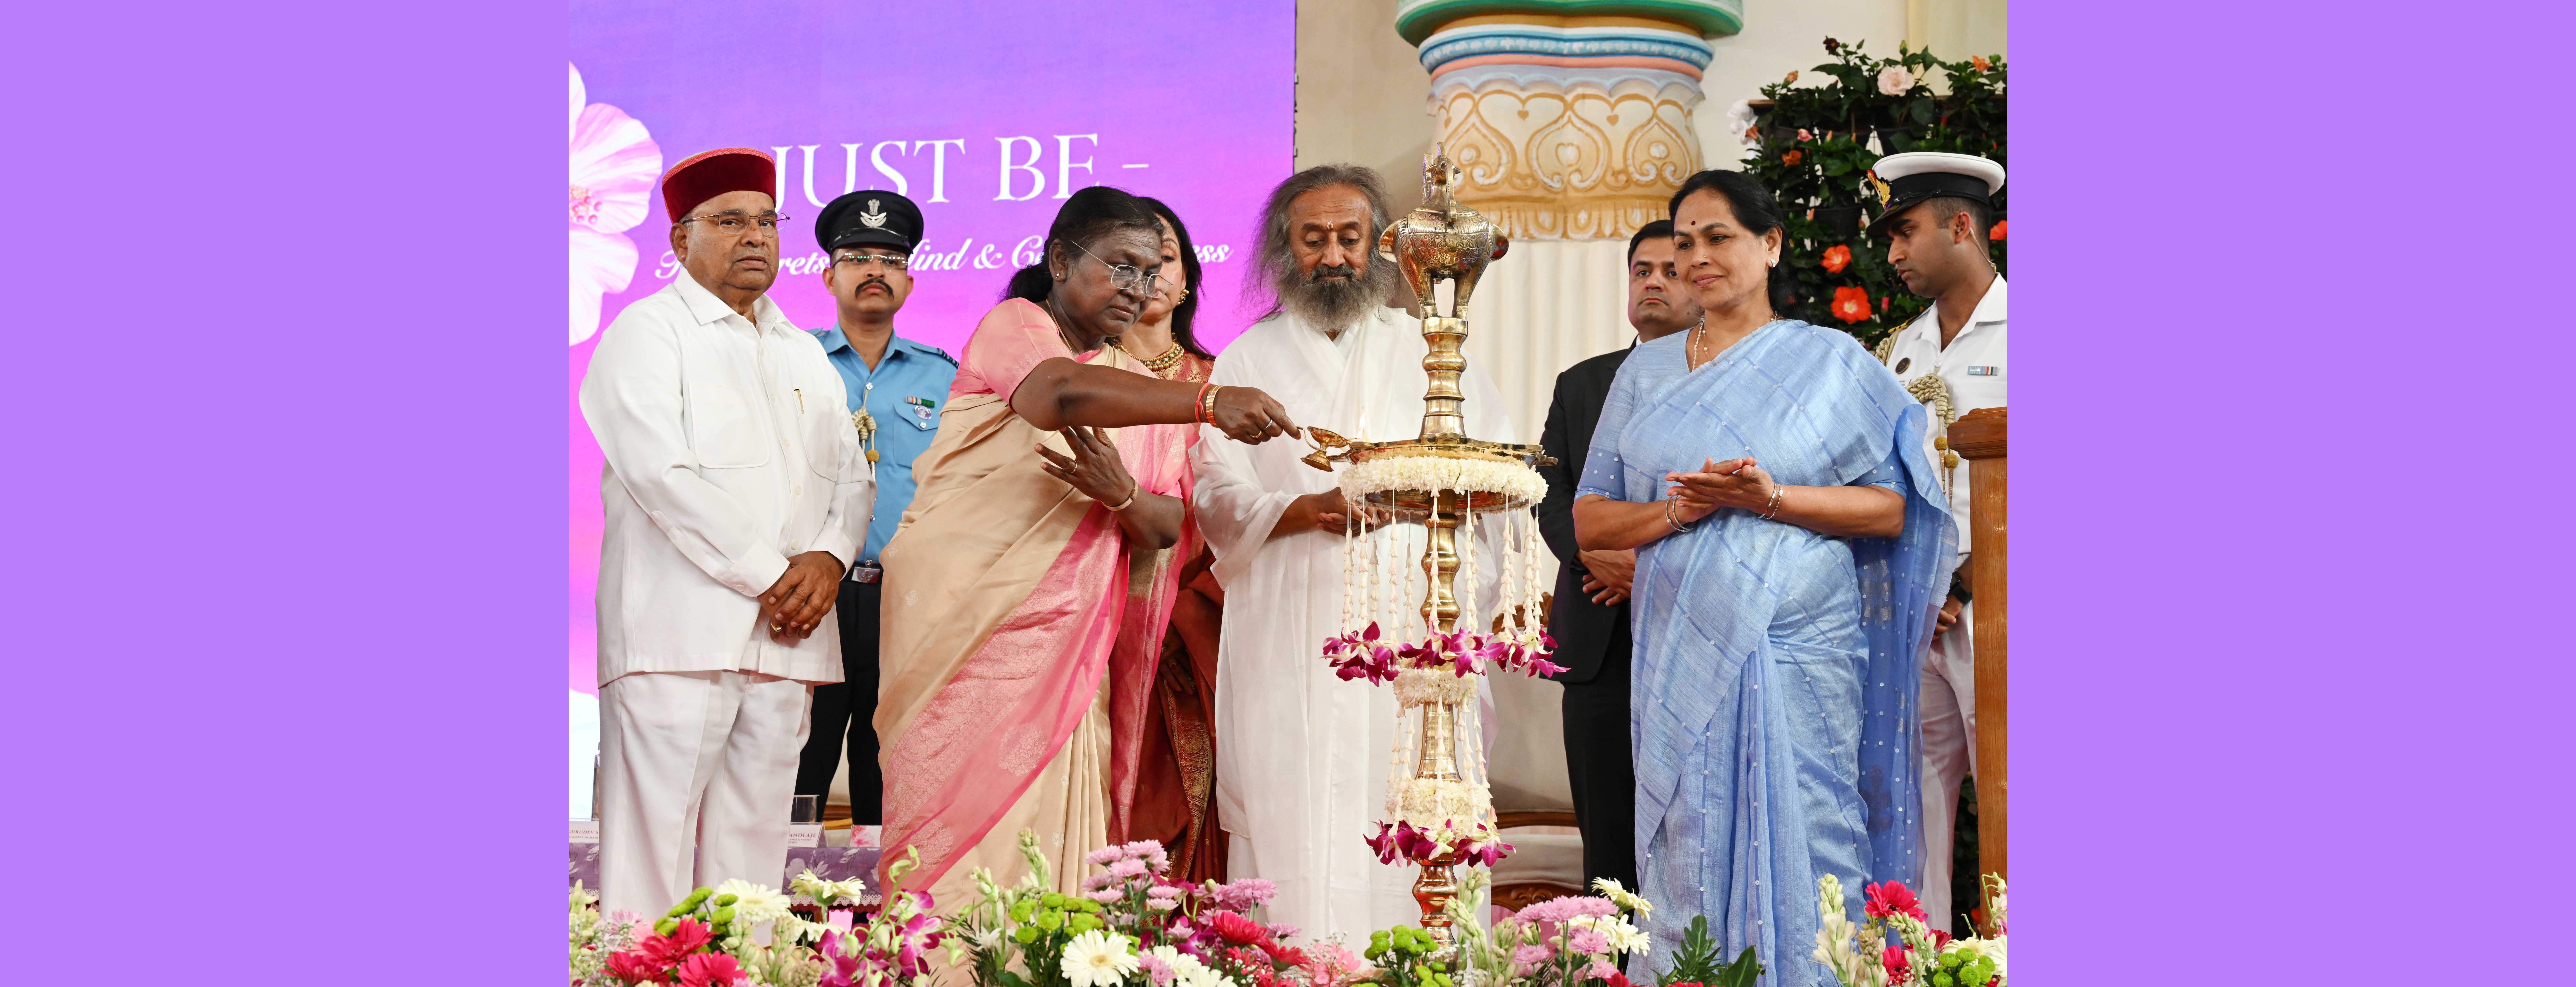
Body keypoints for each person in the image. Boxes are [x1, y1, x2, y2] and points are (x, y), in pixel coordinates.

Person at [1571, 170, 1955, 982]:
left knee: (1814, 821)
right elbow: (1591, 518)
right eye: (1684, 244)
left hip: (1804, 645)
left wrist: (1768, 498)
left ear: (1771, 244)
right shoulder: (1646, 372)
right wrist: (1680, 514)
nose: (1698, 259)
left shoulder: (1830, 361)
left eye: (1719, 239)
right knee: (1692, 831)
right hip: (1682, 643)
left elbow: (1893, 510)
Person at [874, 186, 1300, 904]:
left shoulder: (1130, 384)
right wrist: (1208, 402)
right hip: (963, 634)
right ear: (1061, 259)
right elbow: (1055, 397)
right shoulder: (1018, 326)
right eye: (1121, 266)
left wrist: (1123, 495)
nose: (1136, 288)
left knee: (1051, 850)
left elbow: (1166, 526)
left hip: (1068, 654)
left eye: (1149, 270)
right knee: (950, 848)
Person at [1191, 164, 1514, 945]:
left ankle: (1426, 960)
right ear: (1283, 250)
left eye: (1350, 237)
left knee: (1408, 791)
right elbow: (1213, 493)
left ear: (1381, 248)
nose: (1333, 255)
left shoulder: (1432, 350)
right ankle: (1290, 962)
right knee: (1286, 792)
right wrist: (1301, 509)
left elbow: (1494, 478)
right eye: (1313, 239)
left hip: (1410, 614)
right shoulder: (1246, 359)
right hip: (1287, 612)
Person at [579, 148, 873, 917]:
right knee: (655, 859)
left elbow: (853, 476)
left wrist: (829, 559)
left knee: (753, 866)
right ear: (681, 241)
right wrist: (779, 578)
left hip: (786, 641)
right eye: (731, 222)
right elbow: (661, 477)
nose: (755, 237)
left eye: (767, 222)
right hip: (678, 639)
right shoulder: (647, 334)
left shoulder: (802, 349)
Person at [1534, 219, 1702, 893]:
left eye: (1671, 269)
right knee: (1607, 836)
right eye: (1642, 271)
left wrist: (1656, 569)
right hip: (1600, 632)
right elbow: (1549, 489)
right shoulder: (1582, 384)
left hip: (1694, 626)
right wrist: (1590, 555)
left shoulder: (1728, 380)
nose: (1654, 281)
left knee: (1695, 831)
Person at [1866, 150, 2006, 932]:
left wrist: (1961, 586)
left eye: (1906, 232)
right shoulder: (1897, 351)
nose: (1893, 255)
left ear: (1963, 226)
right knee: (1913, 801)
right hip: (1917, 614)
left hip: (2002, 612)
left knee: (2013, 798)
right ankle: (1914, 962)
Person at [790, 190, 957, 832]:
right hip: (812, 592)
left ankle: (887, 917)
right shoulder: (793, 363)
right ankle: (781, 915)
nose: (873, 270)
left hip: (905, 596)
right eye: (856, 256)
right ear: (829, 275)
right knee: (802, 753)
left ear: (909, 281)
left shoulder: (942, 378)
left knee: (889, 756)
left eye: (889, 259)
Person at [1119, 197, 1228, 881]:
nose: (1153, 273)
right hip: (1095, 622)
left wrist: (1191, 606)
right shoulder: (1076, 379)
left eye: (1167, 258)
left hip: (1192, 625)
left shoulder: (1222, 385)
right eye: (1132, 260)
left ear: (1187, 280)